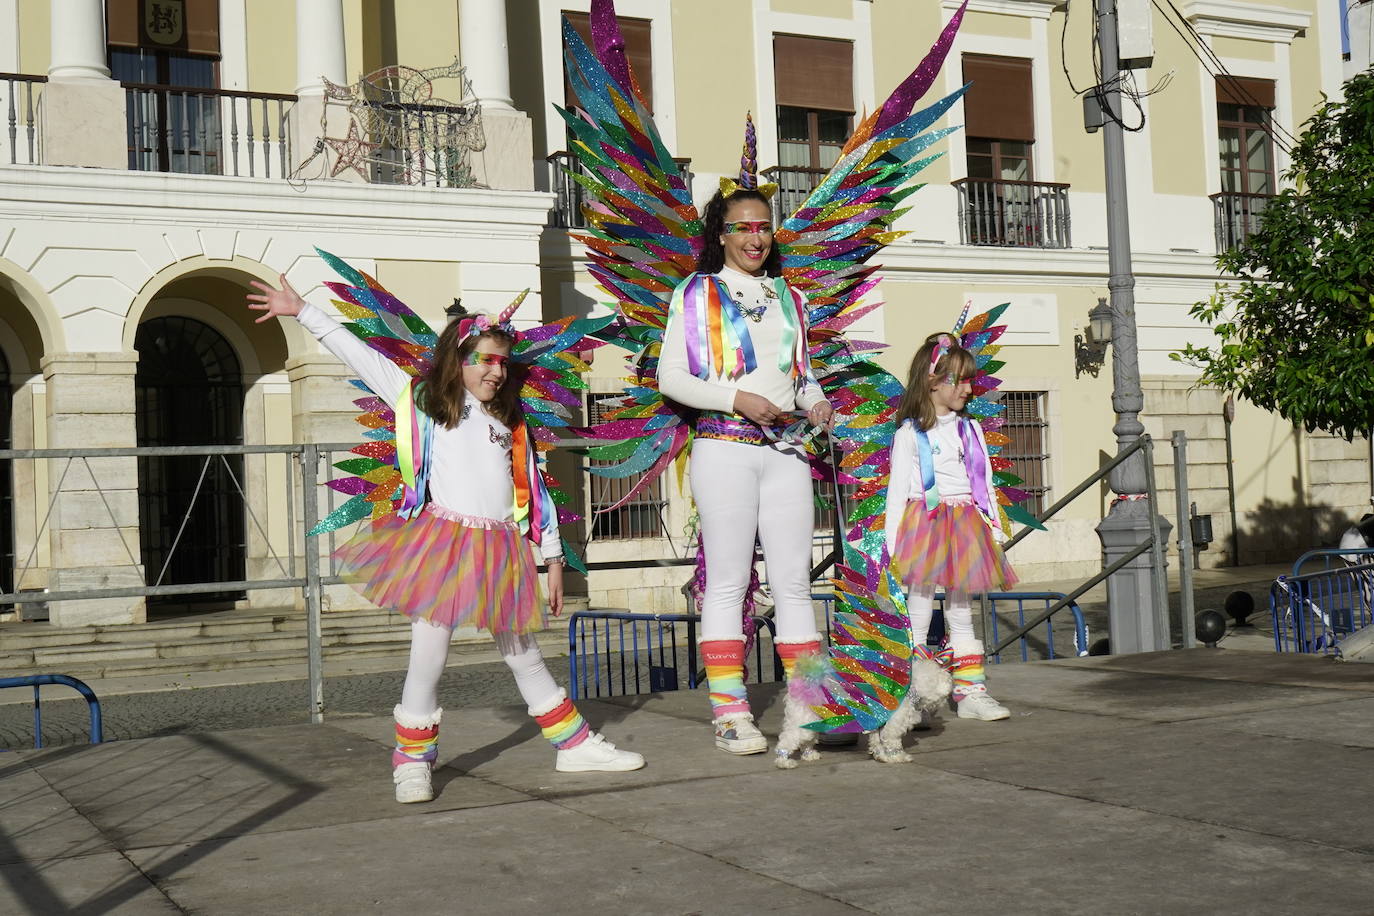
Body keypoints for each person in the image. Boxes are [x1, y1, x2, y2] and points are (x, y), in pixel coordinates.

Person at [247, 275, 644, 804]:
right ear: (457, 360)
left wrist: (550, 557)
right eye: (484, 359)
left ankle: (572, 744)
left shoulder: (509, 422)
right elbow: (362, 356)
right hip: (446, 540)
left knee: (522, 650)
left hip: (502, 546)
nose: (496, 371)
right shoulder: (424, 404)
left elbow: (531, 491)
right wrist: (304, 312)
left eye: (502, 362)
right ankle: (412, 760)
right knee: (429, 652)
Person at [657, 183, 834, 763]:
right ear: (721, 235)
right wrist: (736, 399)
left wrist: (816, 401)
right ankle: (731, 714)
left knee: (794, 581)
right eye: (743, 228)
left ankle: (806, 706)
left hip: (787, 451)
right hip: (724, 447)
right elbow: (672, 378)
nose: (756, 238)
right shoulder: (695, 292)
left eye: (763, 227)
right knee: (729, 582)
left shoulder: (791, 298)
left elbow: (800, 374)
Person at [885, 332, 1018, 722]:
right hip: (923, 523)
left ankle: (971, 691)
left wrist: (993, 529)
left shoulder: (970, 429)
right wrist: (893, 549)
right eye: (957, 380)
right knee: (920, 609)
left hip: (965, 525)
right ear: (931, 380)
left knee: (962, 611)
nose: (968, 388)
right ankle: (914, 695)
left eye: (968, 379)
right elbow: (896, 494)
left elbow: (984, 481)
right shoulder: (909, 434)